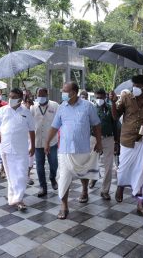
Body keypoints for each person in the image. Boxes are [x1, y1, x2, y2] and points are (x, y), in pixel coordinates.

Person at [45, 81, 103, 219]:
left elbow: (97, 125)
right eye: (63, 90)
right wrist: (47, 141)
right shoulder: (61, 107)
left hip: (82, 148)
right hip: (64, 150)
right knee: (64, 177)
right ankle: (64, 206)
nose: (63, 93)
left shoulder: (88, 106)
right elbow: (54, 126)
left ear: (75, 92)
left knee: (83, 172)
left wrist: (99, 142)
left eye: (66, 91)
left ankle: (84, 191)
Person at [109, 74, 143, 218]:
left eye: (138, 86)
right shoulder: (126, 98)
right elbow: (115, 116)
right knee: (123, 169)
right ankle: (121, 185)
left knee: (142, 172)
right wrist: (113, 102)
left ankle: (140, 204)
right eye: (134, 86)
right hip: (127, 140)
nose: (135, 89)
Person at [0, 88, 35, 211]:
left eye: (14, 97)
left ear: (20, 99)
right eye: (10, 96)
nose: (11, 99)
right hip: (6, 149)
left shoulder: (26, 112)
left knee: (22, 175)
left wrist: (32, 146)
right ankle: (18, 199)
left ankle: (15, 197)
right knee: (11, 175)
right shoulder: (2, 111)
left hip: (22, 149)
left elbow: (31, 130)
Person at [89, 88, 119, 200]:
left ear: (105, 97)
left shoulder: (110, 108)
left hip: (108, 138)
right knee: (91, 162)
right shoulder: (91, 108)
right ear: (94, 97)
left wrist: (116, 141)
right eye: (97, 97)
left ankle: (105, 190)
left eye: (101, 98)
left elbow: (115, 121)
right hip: (94, 138)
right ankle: (92, 178)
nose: (99, 99)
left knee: (108, 165)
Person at [30, 87, 59, 197]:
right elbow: (27, 120)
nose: (40, 97)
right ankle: (43, 186)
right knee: (39, 166)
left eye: (43, 95)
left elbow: (60, 120)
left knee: (54, 164)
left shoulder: (55, 106)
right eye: (39, 95)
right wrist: (28, 105)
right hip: (38, 142)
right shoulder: (33, 107)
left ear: (47, 94)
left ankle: (52, 178)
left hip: (52, 142)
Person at [22, 89, 35, 186]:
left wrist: (29, 105)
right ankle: (23, 175)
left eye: (27, 94)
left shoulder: (34, 105)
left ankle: (27, 175)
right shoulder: (19, 106)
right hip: (21, 136)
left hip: (31, 136)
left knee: (30, 158)